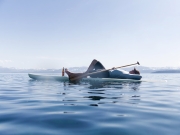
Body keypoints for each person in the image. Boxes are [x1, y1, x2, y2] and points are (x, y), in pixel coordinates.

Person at [65, 59, 140, 81]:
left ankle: (72, 75)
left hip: (105, 74)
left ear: (134, 73)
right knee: (94, 61)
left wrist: (136, 75)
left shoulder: (129, 75)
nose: (132, 70)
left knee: (90, 72)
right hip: (107, 71)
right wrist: (115, 69)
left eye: (133, 70)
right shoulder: (126, 72)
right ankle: (83, 74)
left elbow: (138, 77)